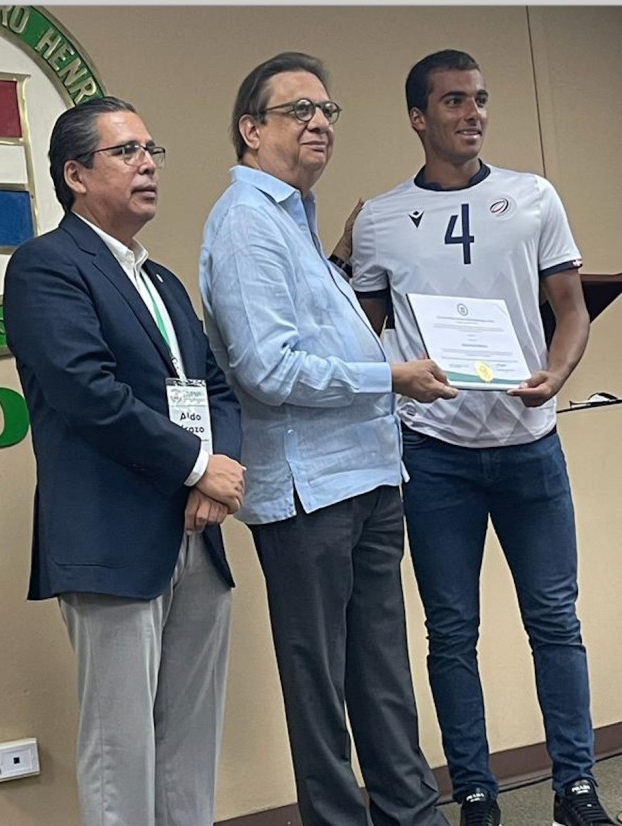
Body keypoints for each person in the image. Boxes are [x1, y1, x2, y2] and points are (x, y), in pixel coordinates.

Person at [352, 49, 612, 826]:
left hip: (529, 443)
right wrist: (396, 372)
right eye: (455, 101)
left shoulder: (533, 198)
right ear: (418, 117)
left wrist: (556, 375)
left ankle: (577, 788)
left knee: (555, 621)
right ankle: (475, 793)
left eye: (481, 100)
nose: (473, 114)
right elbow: (364, 337)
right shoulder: (379, 217)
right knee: (451, 631)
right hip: (433, 455)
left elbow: (569, 310)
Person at [200, 51, 456, 826]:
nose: (320, 123)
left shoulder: (297, 220)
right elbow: (266, 369)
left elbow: (319, 339)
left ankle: (413, 817)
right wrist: (392, 379)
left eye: (328, 111)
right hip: (308, 493)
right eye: (299, 110)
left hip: (369, 476)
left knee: (383, 681)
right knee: (322, 695)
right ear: (251, 130)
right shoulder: (246, 224)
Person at [3, 96, 245, 826]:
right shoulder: (47, 267)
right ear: (75, 174)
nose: (148, 164)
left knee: (189, 745)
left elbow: (218, 387)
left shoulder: (163, 280)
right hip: (111, 540)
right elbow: (87, 394)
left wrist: (217, 471)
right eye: (127, 151)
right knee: (120, 752)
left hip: (197, 534)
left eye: (152, 150)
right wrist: (196, 465)